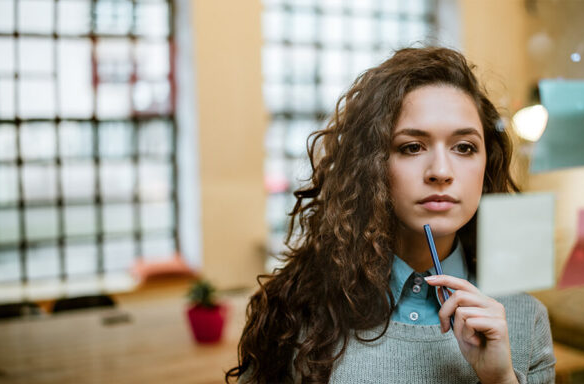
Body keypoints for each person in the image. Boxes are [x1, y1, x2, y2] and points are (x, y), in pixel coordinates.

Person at [226, 46, 555, 384]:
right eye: (412, 147)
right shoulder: (300, 311)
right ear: (371, 166)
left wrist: (500, 378)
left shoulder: (524, 320)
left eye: (464, 147)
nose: (441, 171)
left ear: (487, 165)